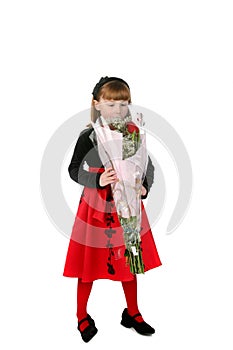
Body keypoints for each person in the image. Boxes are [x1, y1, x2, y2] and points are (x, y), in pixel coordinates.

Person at [63, 76, 162, 342]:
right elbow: (74, 170)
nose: (117, 110)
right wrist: (97, 179)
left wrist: (144, 187)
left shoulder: (132, 132)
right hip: (95, 209)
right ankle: (81, 314)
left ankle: (132, 312)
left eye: (123, 104)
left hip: (127, 209)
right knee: (88, 264)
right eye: (110, 104)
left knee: (129, 260)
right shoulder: (90, 136)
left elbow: (146, 167)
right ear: (97, 104)